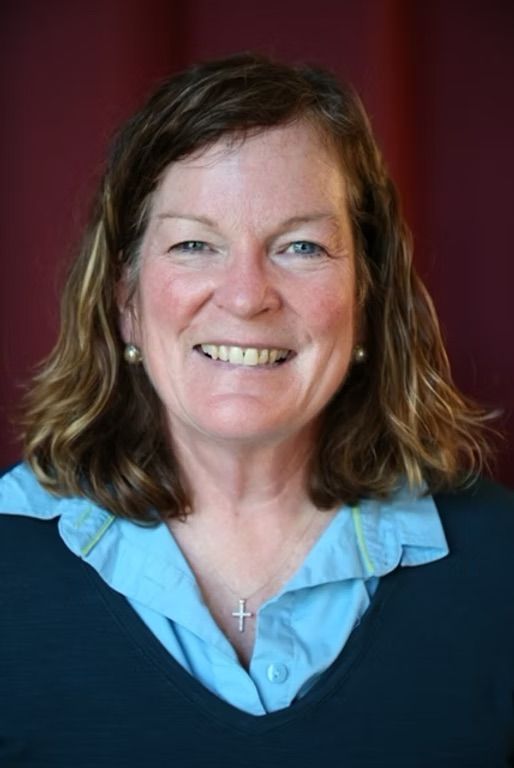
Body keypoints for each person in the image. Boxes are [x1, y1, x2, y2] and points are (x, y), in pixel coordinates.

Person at [1, 53, 513, 767]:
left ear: (366, 298)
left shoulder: (500, 569)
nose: (246, 296)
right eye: (194, 244)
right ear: (125, 302)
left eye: (300, 246)